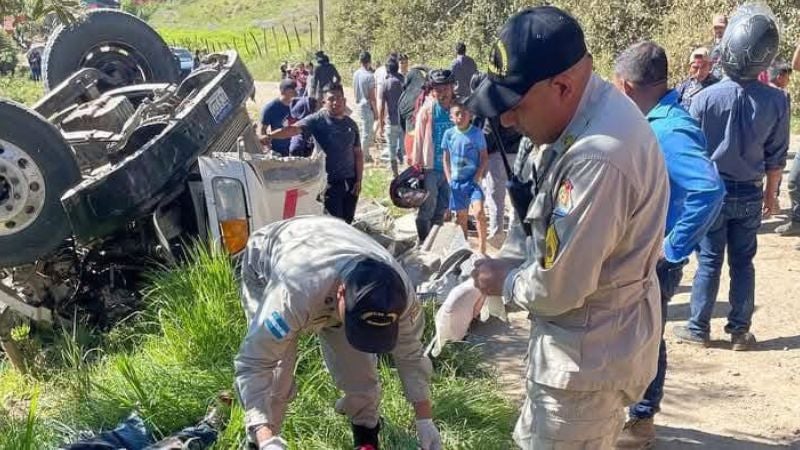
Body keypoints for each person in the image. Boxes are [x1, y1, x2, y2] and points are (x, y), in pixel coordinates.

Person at [467, 6, 668, 448]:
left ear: (562, 86)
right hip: (581, 349)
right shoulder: (582, 114)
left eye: (515, 106)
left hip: (586, 364)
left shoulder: (599, 157)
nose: (505, 120)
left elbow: (560, 288)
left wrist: (505, 279)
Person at [235, 216, 442, 450]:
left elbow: (411, 355)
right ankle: (260, 442)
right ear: (341, 294)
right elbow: (256, 362)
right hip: (273, 255)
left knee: (360, 373)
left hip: (335, 250)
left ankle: (366, 439)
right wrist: (265, 436)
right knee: (277, 378)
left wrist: (424, 419)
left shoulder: (398, 292)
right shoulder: (293, 293)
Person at [612, 41, 726, 448]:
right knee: (639, 333)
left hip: (653, 260)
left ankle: (641, 419)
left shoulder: (668, 129)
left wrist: (672, 247)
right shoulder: (657, 119)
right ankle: (631, 412)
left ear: (625, 87)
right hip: (642, 254)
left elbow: (708, 190)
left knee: (646, 336)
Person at [673, 10, 789, 350]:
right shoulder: (776, 100)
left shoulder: (704, 98)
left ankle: (697, 327)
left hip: (712, 192)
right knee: (744, 261)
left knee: (708, 260)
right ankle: (739, 330)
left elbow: (689, 150)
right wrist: (772, 195)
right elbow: (776, 155)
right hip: (751, 192)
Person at [266, 83, 363, 224]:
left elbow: (358, 153)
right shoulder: (317, 120)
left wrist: (359, 180)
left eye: (339, 98)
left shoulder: (351, 124)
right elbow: (293, 129)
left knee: (348, 221)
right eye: (331, 99)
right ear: (324, 102)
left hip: (350, 181)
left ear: (344, 101)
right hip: (328, 182)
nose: (335, 102)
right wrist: (270, 136)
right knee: (335, 223)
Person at [469, 72, 521, 248]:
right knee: (515, 198)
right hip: (518, 152)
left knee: (495, 197)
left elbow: (489, 132)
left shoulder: (493, 103)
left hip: (498, 155)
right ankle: (514, 234)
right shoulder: (510, 95)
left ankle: (496, 233)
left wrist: (481, 154)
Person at [412, 69, 456, 242]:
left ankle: (433, 241)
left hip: (450, 168)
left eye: (445, 88)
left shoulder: (458, 110)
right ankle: (423, 239)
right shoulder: (428, 110)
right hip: (431, 167)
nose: (442, 93)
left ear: (452, 88)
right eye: (438, 89)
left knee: (443, 206)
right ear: (432, 91)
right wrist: (417, 165)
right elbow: (419, 138)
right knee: (427, 206)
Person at [442, 101, 489, 253]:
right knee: (461, 217)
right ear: (451, 117)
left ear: (470, 115)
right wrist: (449, 178)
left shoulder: (477, 133)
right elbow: (445, 158)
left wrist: (478, 175)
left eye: (463, 113)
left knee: (479, 213)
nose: (460, 117)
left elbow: (484, 157)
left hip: (473, 182)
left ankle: (482, 249)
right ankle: (465, 248)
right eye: (457, 114)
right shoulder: (449, 134)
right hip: (456, 182)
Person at [377, 58, 405, 175]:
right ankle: (405, 169)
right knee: (404, 148)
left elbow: (382, 106)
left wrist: (381, 124)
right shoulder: (404, 81)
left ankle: (395, 173)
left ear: (387, 70)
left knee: (391, 148)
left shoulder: (385, 83)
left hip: (391, 120)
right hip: (403, 121)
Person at [258, 79, 297, 156]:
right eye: (293, 89)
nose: (296, 92)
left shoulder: (298, 104)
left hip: (297, 146)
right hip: (280, 149)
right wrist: (267, 145)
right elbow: (262, 130)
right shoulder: (271, 108)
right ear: (284, 91)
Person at [353, 51, 377, 164]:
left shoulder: (356, 73)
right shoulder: (369, 76)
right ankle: (364, 156)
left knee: (362, 130)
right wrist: (376, 111)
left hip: (358, 104)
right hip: (367, 105)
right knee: (367, 132)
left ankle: (362, 154)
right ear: (369, 61)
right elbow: (372, 97)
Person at [709, 14, 728, 79]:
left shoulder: (731, 45)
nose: (718, 30)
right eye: (716, 28)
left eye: (721, 27)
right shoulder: (710, 45)